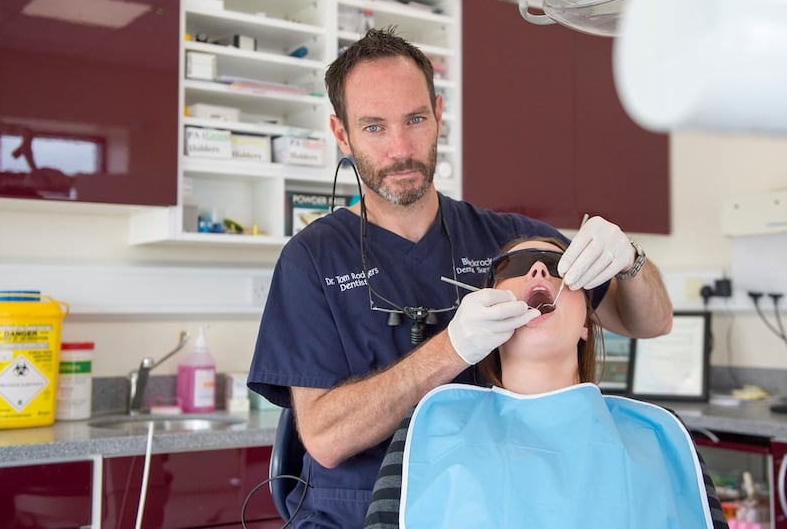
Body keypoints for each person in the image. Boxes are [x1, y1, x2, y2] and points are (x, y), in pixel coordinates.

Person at [247, 27, 674, 528]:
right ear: (341, 133)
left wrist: (631, 261)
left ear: (439, 115)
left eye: (415, 119)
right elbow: (325, 438)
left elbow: (650, 322)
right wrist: (452, 348)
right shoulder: (312, 259)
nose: (401, 148)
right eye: (375, 127)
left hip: (491, 506)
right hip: (354, 514)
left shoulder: (514, 242)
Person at [363, 237, 729, 529]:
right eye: (514, 267)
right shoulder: (432, 424)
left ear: (587, 321)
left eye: (558, 267)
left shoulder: (658, 433)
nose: (539, 269)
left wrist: (632, 256)